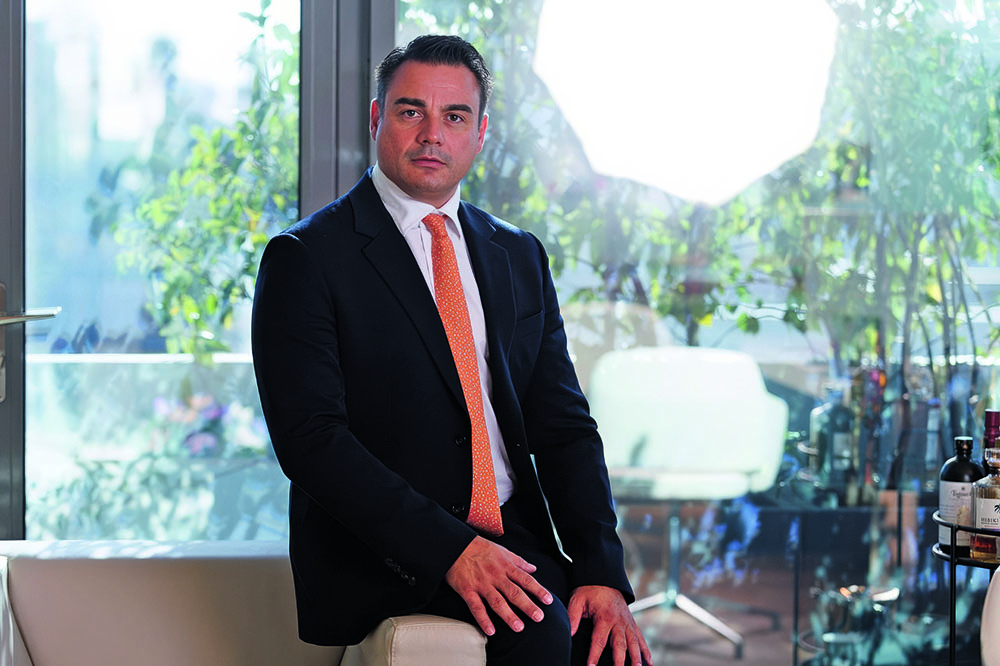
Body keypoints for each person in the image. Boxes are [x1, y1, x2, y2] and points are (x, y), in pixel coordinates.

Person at [251, 34, 652, 666]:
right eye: (411, 111)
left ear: (480, 132)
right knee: (541, 634)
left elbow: (564, 426)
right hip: (387, 548)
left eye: (454, 116)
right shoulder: (306, 258)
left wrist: (602, 568)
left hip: (513, 533)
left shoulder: (517, 254)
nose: (432, 134)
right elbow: (311, 441)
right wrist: (450, 549)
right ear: (379, 117)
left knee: (613, 650)